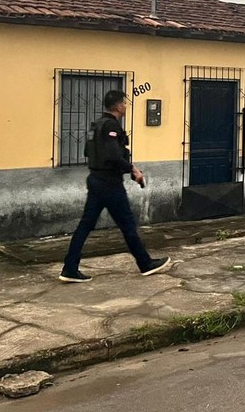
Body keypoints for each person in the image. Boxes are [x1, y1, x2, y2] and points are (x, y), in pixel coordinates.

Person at [59, 90, 170, 283]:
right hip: (109, 183)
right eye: (124, 103)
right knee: (127, 224)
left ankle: (69, 268)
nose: (126, 106)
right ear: (119, 106)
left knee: (85, 225)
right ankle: (145, 264)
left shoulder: (96, 125)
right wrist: (132, 169)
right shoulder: (111, 125)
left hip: (95, 179)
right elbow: (112, 155)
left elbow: (87, 151)